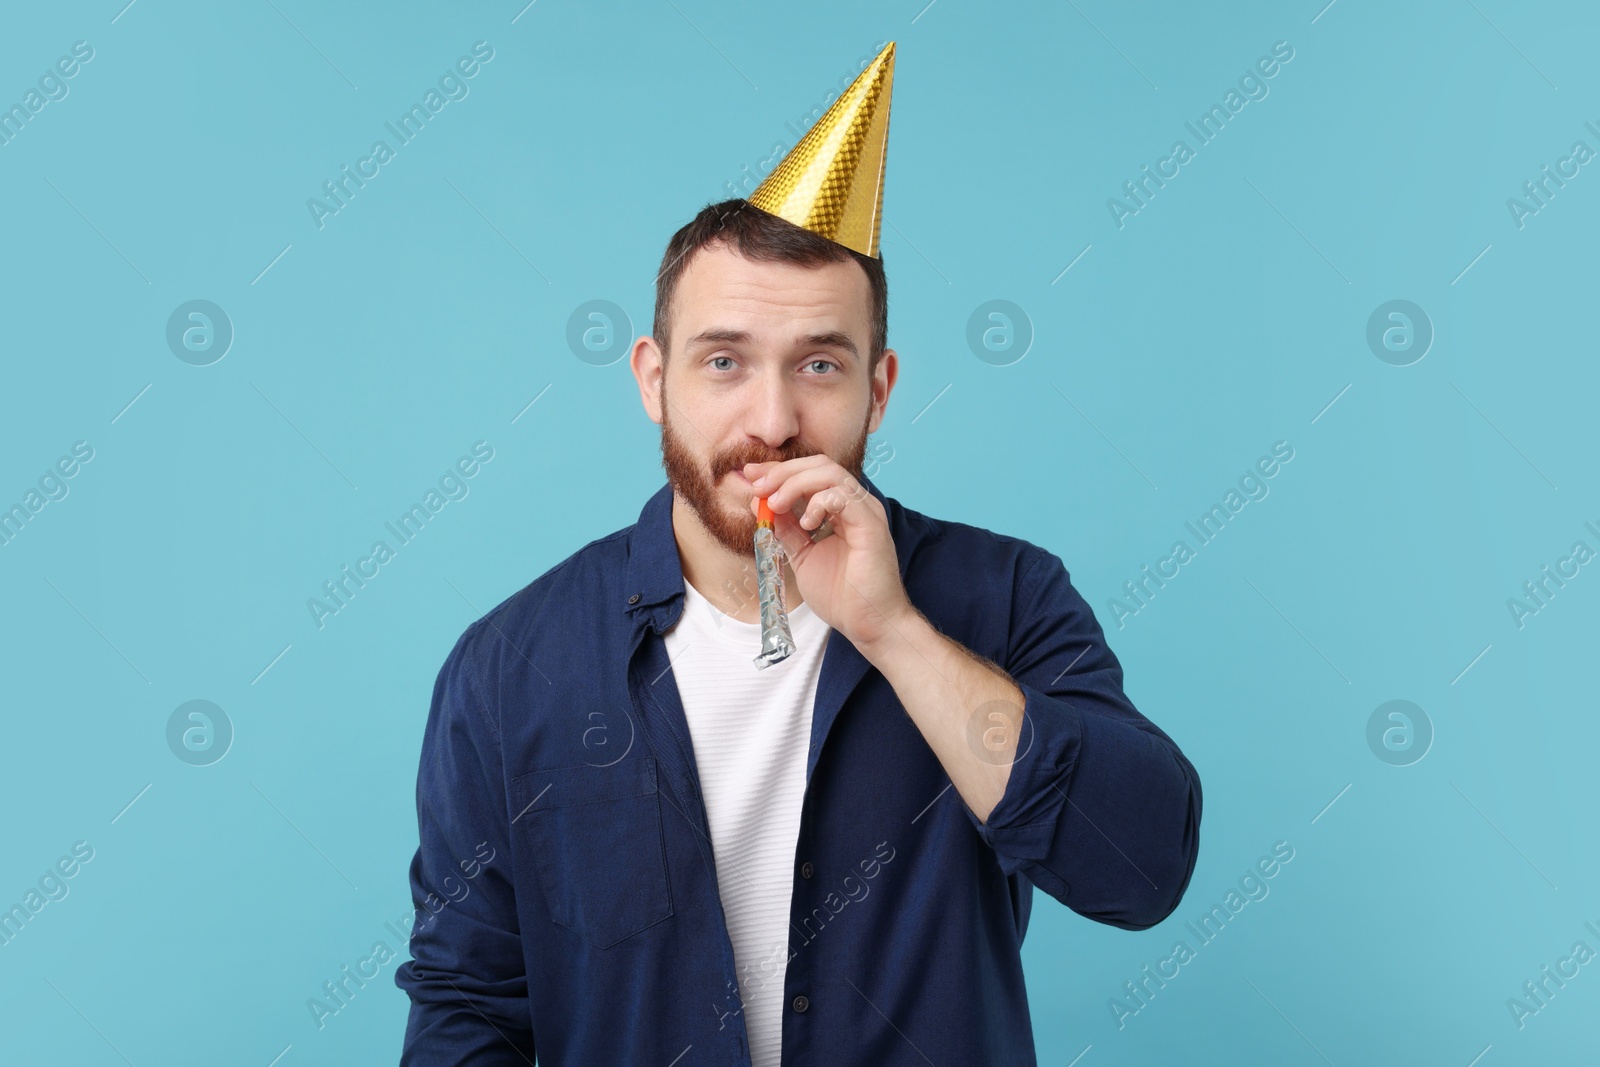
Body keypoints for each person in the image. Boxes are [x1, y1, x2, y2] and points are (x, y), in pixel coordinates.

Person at [396, 42, 1200, 1066]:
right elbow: (467, 1002)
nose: (771, 421)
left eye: (819, 363)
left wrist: (895, 632)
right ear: (653, 379)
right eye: (723, 360)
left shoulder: (1001, 596)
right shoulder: (511, 667)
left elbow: (1138, 867)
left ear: (879, 385)